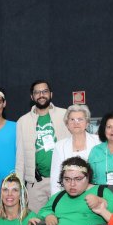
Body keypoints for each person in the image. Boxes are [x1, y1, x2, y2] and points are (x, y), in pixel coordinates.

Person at [15, 79, 70, 212]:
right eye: (37, 92)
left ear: (51, 94)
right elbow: (20, 155)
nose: (41, 95)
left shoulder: (65, 115)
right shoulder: (23, 121)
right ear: (32, 96)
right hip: (36, 183)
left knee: (62, 220)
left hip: (62, 181)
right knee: (35, 222)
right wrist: (18, 185)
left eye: (44, 91)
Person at [50, 104, 101, 195]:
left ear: (87, 123)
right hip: (68, 195)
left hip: (94, 194)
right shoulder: (59, 146)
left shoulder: (99, 142)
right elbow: (55, 178)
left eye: (80, 119)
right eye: (72, 119)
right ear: (67, 124)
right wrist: (57, 202)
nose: (76, 123)